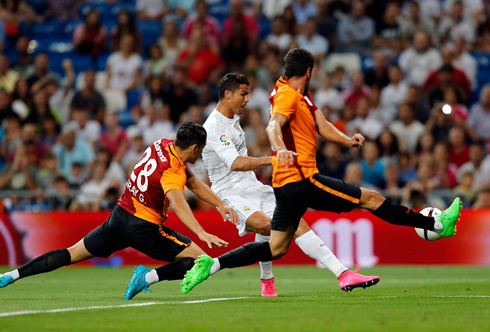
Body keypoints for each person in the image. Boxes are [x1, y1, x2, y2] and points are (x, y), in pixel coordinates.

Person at [180, 49, 462, 294]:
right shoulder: (261, 108)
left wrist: (346, 139)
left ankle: (215, 265)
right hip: (274, 183)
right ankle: (436, 225)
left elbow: (320, 121)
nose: (247, 100)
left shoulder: (291, 95)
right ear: (309, 72)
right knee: (370, 199)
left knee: (278, 244)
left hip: (266, 184)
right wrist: (277, 153)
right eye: (243, 95)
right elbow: (265, 134)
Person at [0, 122, 239, 302]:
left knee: (70, 253)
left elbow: (194, 184)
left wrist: (220, 203)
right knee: (203, 262)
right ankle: (146, 278)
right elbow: (178, 203)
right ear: (196, 147)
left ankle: (13, 275)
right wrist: (201, 232)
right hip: (144, 228)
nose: (200, 156)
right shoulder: (172, 172)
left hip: (118, 217)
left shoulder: (161, 144)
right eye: (201, 150)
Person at [201, 73, 376, 297]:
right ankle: (258, 276)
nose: (247, 100)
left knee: (295, 221)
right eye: (243, 94)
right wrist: (272, 159)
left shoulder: (233, 119)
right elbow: (235, 163)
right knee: (267, 226)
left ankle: (343, 274)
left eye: (248, 94)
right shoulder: (214, 127)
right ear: (227, 94)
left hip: (251, 185)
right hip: (229, 193)